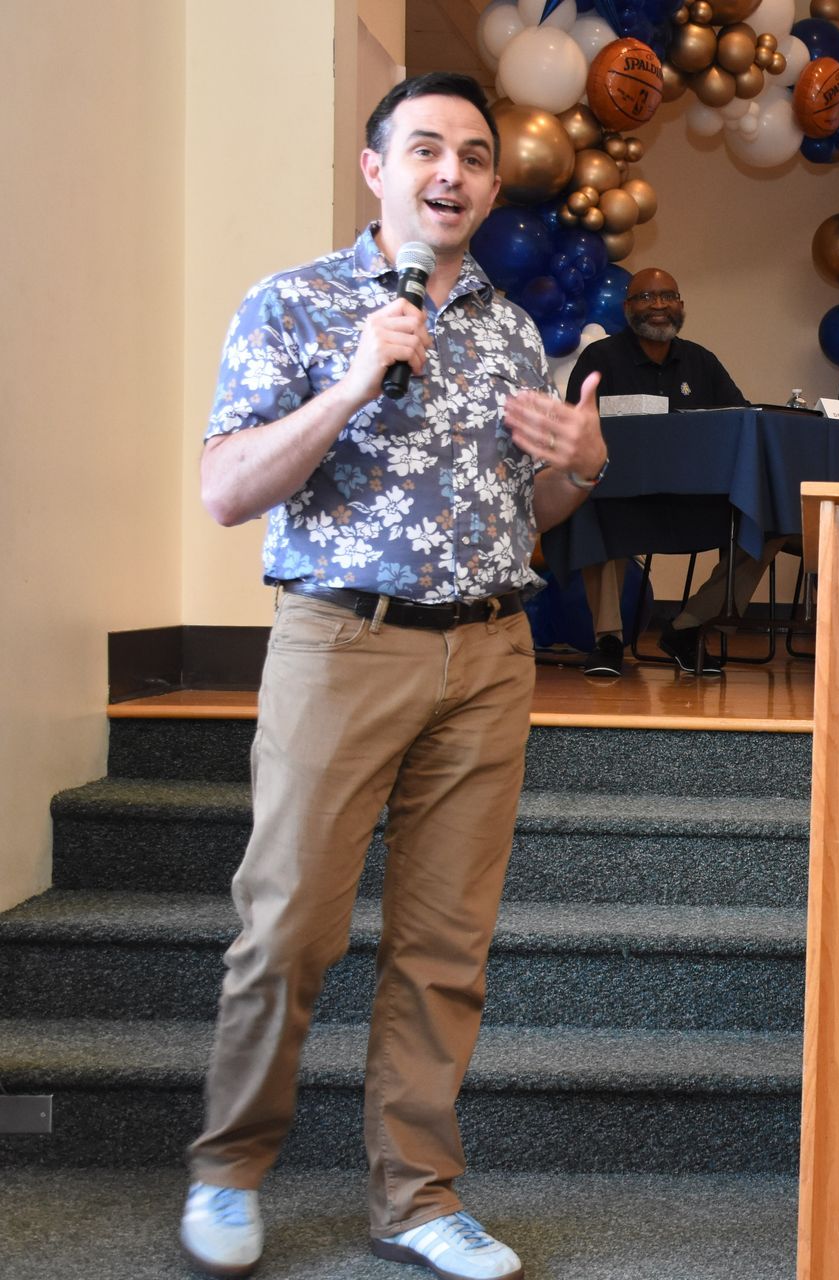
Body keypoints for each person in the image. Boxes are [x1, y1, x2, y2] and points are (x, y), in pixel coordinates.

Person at [181, 72, 607, 1280]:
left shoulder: (512, 329)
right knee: (289, 925)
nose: (450, 173)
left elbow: (528, 511)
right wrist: (353, 380)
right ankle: (228, 1170)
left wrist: (582, 465)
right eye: (425, 149)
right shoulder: (295, 303)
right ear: (376, 168)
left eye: (473, 156)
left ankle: (417, 1196)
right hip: (342, 643)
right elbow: (226, 490)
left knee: (445, 945)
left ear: (491, 186)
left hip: (490, 652)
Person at [564, 270, 761, 678]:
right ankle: (608, 639)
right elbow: (576, 426)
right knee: (591, 505)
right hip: (625, 497)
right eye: (646, 297)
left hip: (695, 500)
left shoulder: (701, 361)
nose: (658, 305)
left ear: (680, 306)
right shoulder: (601, 358)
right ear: (627, 307)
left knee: (765, 520)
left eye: (668, 296)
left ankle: (687, 628)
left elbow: (741, 419)